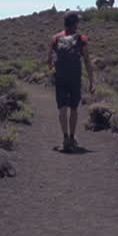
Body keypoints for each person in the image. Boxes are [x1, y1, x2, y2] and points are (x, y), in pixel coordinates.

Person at [47, 11, 95, 152]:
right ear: (75, 23)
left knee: (62, 108)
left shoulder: (55, 38)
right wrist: (91, 81)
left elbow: (49, 59)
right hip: (75, 78)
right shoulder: (81, 39)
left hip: (60, 77)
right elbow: (87, 61)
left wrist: (54, 68)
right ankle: (72, 138)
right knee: (74, 108)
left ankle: (65, 138)